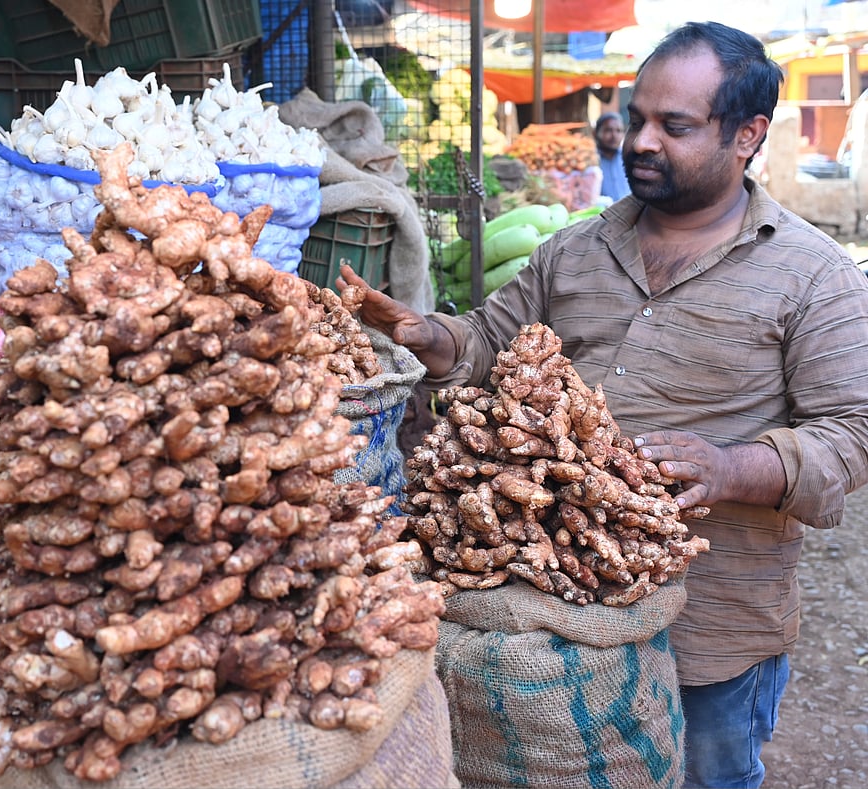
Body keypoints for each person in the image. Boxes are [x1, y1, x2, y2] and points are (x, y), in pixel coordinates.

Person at [338, 20, 868, 789]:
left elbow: (851, 437)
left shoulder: (813, 275)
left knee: (707, 777)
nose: (641, 140)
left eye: (675, 126)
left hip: (712, 627)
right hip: (559, 613)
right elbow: (490, 341)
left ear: (748, 135)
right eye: (638, 116)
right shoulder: (575, 251)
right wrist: (431, 335)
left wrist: (731, 466)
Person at [594, 111, 631, 201]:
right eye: (608, 130)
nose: (614, 135)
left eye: (618, 131)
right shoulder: (590, 160)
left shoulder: (629, 158)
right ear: (595, 133)